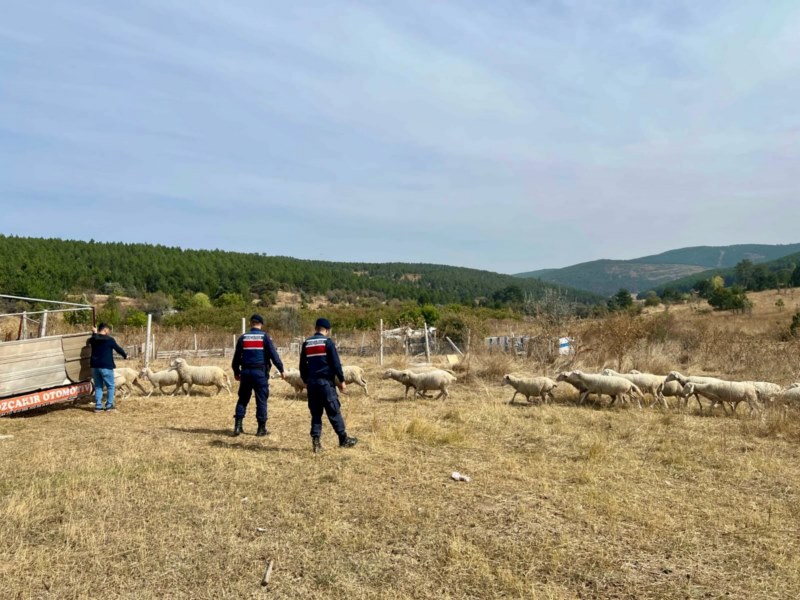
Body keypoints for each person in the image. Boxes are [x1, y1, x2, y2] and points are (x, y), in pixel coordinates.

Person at [299, 317, 357, 453]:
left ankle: (316, 442)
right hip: (325, 384)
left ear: (316, 329)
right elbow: (336, 364)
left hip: (312, 384)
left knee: (316, 414)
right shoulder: (328, 343)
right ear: (327, 330)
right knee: (333, 410)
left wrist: (306, 381)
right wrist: (342, 381)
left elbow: (302, 366)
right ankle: (343, 439)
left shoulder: (306, 343)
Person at [231, 314, 285, 437]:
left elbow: (236, 358)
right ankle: (261, 429)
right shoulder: (264, 337)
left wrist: (236, 372)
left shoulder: (243, 338)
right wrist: (281, 369)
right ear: (261, 324)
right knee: (261, 400)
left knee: (243, 399)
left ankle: (238, 427)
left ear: (250, 323)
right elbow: (273, 355)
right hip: (260, 373)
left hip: (245, 373)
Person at [88, 322, 127, 413]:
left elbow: (95, 338)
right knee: (110, 386)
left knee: (98, 386)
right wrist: (125, 355)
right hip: (106, 366)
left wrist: (94, 332)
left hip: (94, 366)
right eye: (108, 330)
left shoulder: (93, 339)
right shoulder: (109, 340)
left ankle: (98, 407)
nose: (109, 332)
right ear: (105, 330)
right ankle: (109, 406)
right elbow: (118, 349)